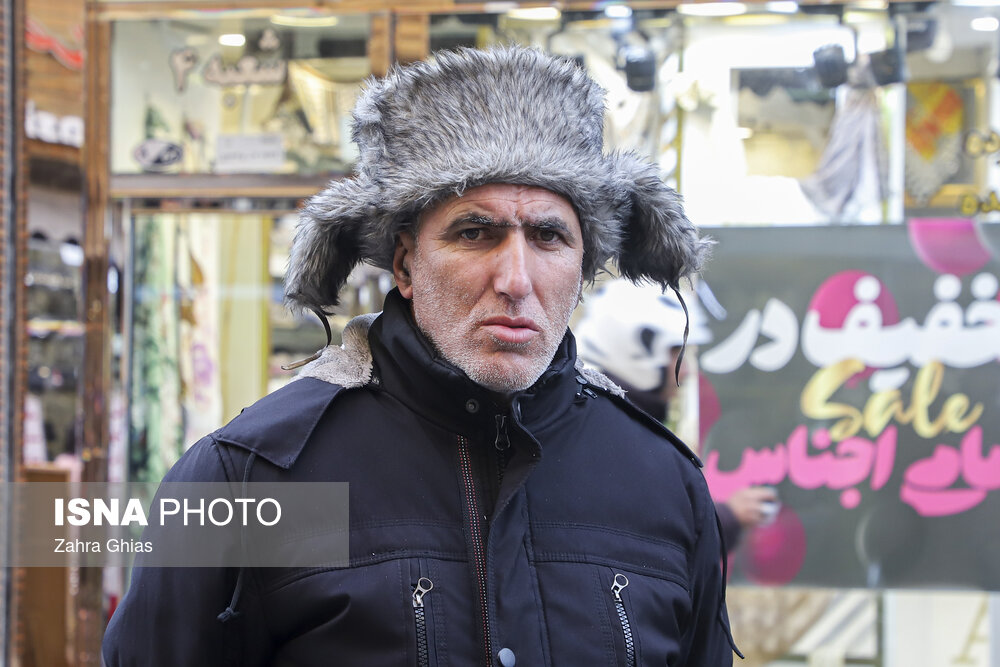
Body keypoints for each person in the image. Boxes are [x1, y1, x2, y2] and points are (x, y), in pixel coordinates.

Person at [103, 46, 738, 666]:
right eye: (475, 232)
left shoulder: (662, 483)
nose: (516, 279)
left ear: (583, 265)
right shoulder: (248, 477)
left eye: (549, 235)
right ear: (406, 264)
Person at [575, 278, 779, 551]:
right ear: (636, 348)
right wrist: (728, 518)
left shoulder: (605, 419)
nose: (685, 371)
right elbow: (650, 537)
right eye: (674, 354)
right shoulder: (605, 433)